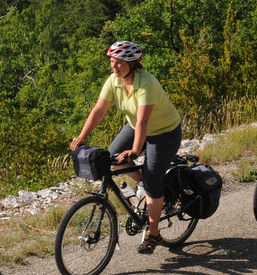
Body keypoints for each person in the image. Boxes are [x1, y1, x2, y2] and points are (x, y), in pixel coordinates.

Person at [70, 41, 182, 254]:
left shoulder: (146, 83)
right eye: (112, 62)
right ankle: (148, 185)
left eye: (119, 63)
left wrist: (135, 150)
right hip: (135, 127)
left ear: (133, 63)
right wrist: (82, 137)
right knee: (112, 158)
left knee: (152, 183)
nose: (114, 67)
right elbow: (99, 110)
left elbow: (143, 122)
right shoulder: (114, 81)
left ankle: (154, 233)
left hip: (164, 132)